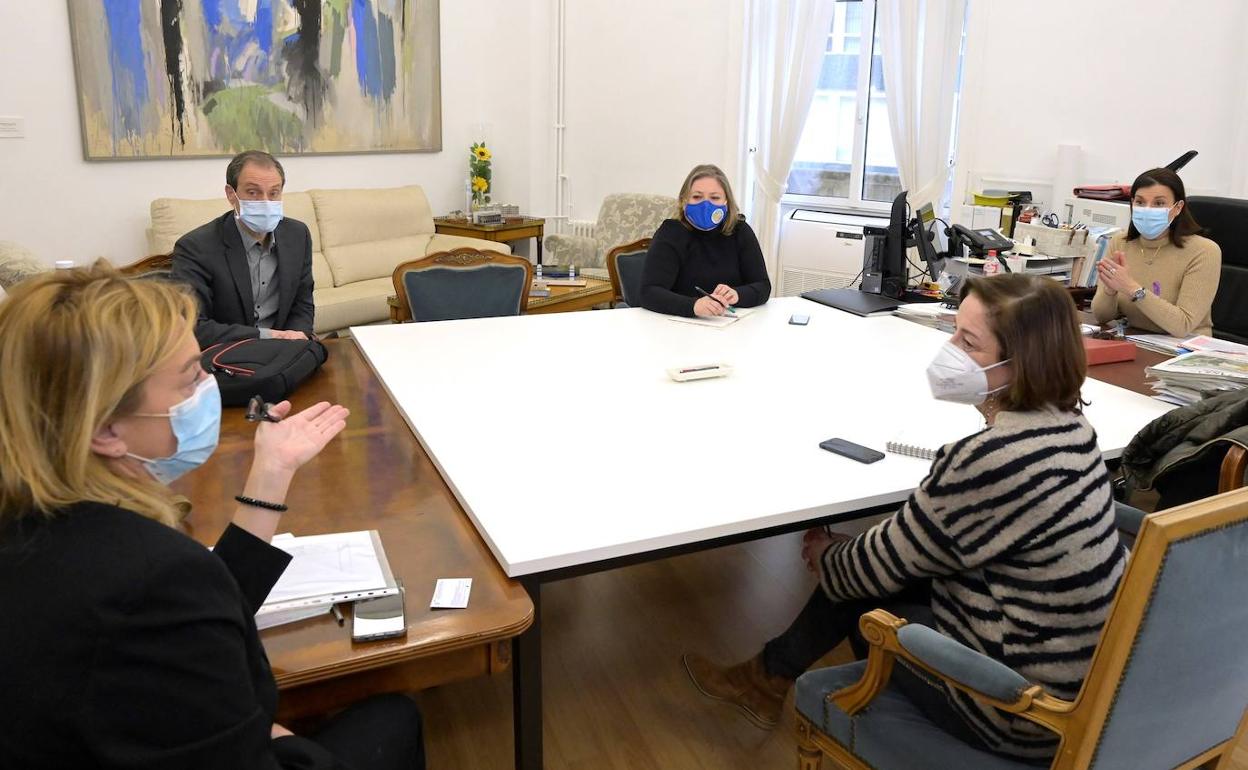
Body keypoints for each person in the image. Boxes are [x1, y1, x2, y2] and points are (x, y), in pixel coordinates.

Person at [683, 274, 1125, 764]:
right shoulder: (1073, 428)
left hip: (1014, 707)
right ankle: (767, 678)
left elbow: (869, 570)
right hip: (1074, 678)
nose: (949, 349)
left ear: (1019, 364)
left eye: (967, 341)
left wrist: (826, 553)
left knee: (863, 583)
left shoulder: (993, 457)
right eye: (953, 331)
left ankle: (766, 678)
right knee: (882, 555)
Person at [0, 264, 424, 769]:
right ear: (105, 430)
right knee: (393, 719)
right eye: (190, 379)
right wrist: (270, 731)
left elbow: (208, 603)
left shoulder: (35, 518)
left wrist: (272, 471)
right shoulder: (152, 579)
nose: (212, 386)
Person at [173, 149, 317, 347]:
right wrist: (269, 336)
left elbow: (303, 303)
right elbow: (193, 326)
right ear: (231, 194)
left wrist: (295, 337)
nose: (265, 202)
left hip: (285, 353)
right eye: (253, 192)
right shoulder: (195, 247)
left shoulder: (298, 235)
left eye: (273, 193)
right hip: (229, 356)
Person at [1091, 167, 1221, 338]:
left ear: (1177, 208)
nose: (1147, 209)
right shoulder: (1120, 243)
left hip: (1186, 350)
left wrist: (1130, 287)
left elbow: (1183, 325)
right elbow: (1101, 316)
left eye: (1159, 203)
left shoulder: (1204, 251)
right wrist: (1109, 290)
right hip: (1138, 341)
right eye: (1140, 202)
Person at [640, 164, 771, 317]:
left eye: (715, 197)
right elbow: (648, 292)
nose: (705, 205)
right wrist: (693, 306)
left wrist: (737, 294)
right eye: (697, 197)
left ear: (726, 203)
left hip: (730, 325)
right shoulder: (671, 233)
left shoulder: (740, 230)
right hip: (679, 326)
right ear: (683, 201)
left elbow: (763, 286)